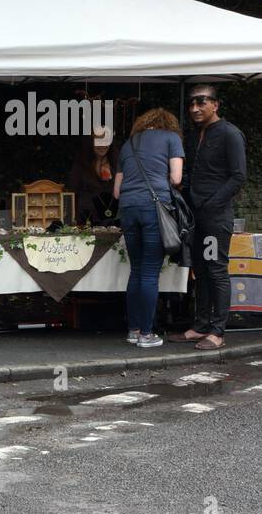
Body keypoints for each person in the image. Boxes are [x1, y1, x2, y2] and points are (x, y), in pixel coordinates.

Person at [169, 85, 247, 349]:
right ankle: (200, 325)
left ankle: (217, 331)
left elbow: (238, 177)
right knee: (200, 271)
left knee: (215, 270)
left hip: (215, 218)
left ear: (216, 104)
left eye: (201, 102)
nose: (195, 108)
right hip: (195, 217)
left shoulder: (230, 134)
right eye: (191, 103)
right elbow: (191, 171)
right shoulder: (194, 135)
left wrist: (212, 203)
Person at [113, 108, 184, 349]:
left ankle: (133, 330)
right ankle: (146, 333)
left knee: (137, 269)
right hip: (154, 207)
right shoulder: (171, 139)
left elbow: (116, 191)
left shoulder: (128, 144)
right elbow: (176, 178)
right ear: (168, 124)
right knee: (150, 272)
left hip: (128, 207)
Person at [67, 126, 118, 226]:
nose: (103, 146)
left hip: (112, 219)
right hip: (87, 220)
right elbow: (73, 189)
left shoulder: (115, 162)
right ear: (91, 143)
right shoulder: (81, 163)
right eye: (99, 141)